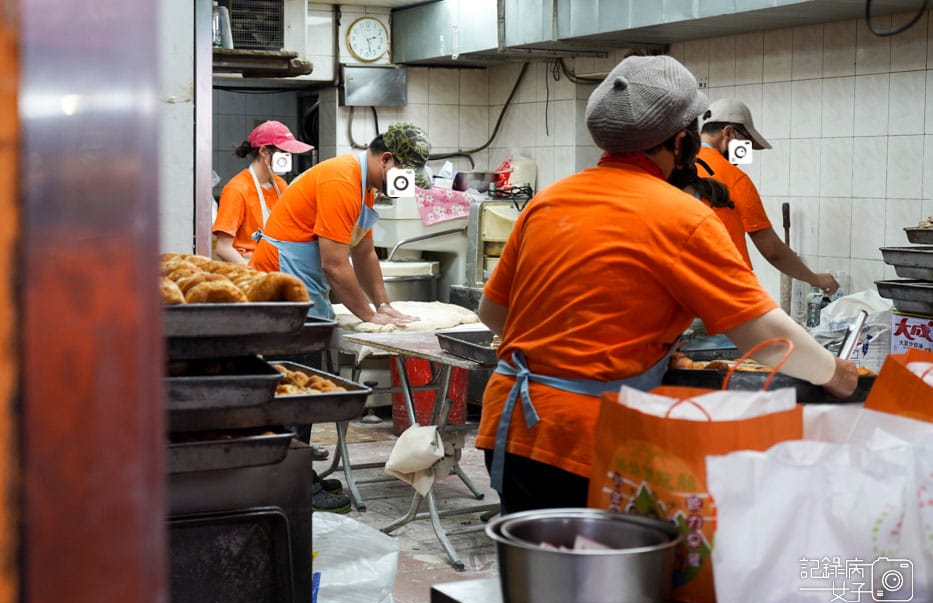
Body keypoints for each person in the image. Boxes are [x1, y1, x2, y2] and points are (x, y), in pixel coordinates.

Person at [474, 55, 858, 515]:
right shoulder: (682, 216)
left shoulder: (549, 200)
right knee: (605, 580)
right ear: (681, 142)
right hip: (585, 440)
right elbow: (766, 338)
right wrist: (836, 373)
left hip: (509, 425)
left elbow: (492, 315)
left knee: (534, 576)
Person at [250, 122, 430, 325]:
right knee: (294, 354)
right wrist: (369, 316)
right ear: (386, 159)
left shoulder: (365, 188)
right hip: (279, 288)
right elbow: (334, 265)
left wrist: (383, 305)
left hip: (300, 281)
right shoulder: (342, 182)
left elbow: (364, 254)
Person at [696, 99, 839, 296]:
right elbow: (772, 250)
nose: (746, 152)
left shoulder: (674, 166)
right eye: (746, 143)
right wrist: (815, 279)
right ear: (728, 133)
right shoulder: (734, 178)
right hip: (720, 290)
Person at [212, 120, 314, 264]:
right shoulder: (237, 189)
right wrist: (253, 273)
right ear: (264, 151)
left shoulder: (281, 185)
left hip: (276, 265)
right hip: (247, 270)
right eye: (283, 152)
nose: (287, 157)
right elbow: (223, 248)